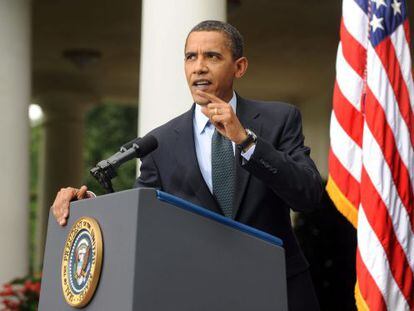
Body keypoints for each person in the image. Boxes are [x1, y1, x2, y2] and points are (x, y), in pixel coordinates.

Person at [52, 20, 323, 311]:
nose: (199, 67)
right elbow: (141, 222)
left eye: (212, 56)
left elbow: (308, 195)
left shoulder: (278, 120)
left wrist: (246, 141)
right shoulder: (160, 142)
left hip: (277, 290)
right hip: (197, 294)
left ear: (239, 66)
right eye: (191, 57)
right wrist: (89, 207)